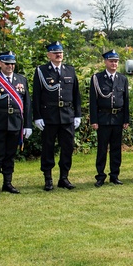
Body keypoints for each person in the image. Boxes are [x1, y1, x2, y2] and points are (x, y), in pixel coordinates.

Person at [0, 51, 33, 196]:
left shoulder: (21, 79)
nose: (10, 66)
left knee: (10, 155)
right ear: (0, 64)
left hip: (15, 122)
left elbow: (27, 104)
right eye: (7, 63)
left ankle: (8, 183)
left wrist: (28, 125)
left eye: (12, 63)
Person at [33, 41, 82, 190]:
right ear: (49, 55)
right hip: (49, 116)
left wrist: (77, 114)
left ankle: (64, 178)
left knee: (67, 147)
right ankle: (48, 178)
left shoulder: (70, 70)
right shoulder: (41, 71)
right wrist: (37, 116)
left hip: (67, 115)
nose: (58, 55)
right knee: (48, 148)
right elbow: (36, 95)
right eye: (55, 53)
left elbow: (76, 95)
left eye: (60, 52)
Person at [89, 49, 129, 186]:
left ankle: (114, 175)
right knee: (102, 149)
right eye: (111, 61)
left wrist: (126, 119)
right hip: (103, 118)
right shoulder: (97, 78)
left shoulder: (122, 79)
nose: (114, 64)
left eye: (116, 61)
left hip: (118, 118)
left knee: (116, 149)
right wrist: (94, 120)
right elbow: (93, 101)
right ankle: (100, 176)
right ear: (105, 62)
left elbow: (126, 100)